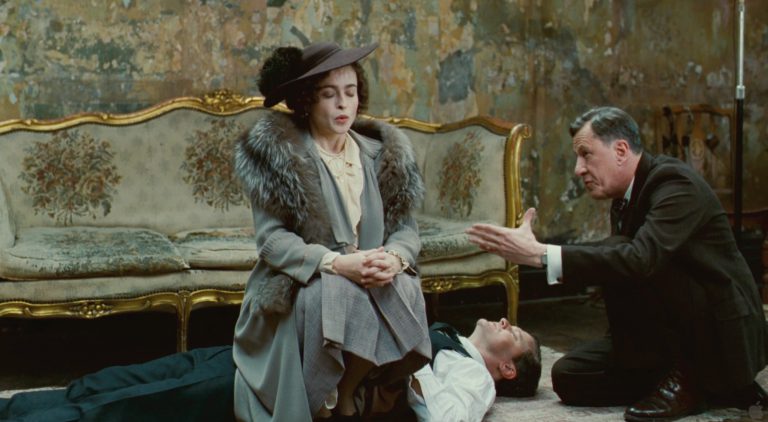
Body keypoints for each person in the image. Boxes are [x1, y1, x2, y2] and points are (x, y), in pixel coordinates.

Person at [466, 106, 768, 421]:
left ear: (621, 150)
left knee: (624, 252)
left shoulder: (675, 183)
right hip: (669, 335)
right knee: (570, 376)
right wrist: (543, 253)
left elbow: (639, 259)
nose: (578, 169)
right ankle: (707, 385)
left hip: (718, 334)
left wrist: (540, 254)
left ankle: (700, 379)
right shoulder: (624, 197)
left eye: (586, 155)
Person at [232, 41, 431, 421]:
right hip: (302, 282)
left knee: (403, 284)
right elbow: (272, 242)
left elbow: (406, 230)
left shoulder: (380, 154)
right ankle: (320, 397)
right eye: (329, 94)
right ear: (307, 100)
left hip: (368, 274)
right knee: (338, 290)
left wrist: (393, 259)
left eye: (350, 92)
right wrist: (336, 264)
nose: (343, 104)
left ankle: (349, 389)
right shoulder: (281, 156)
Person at [404, 318, 541, 422]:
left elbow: (451, 419)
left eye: (514, 335)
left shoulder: (475, 373)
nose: (504, 321)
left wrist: (414, 354)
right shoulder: (450, 337)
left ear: (507, 368)